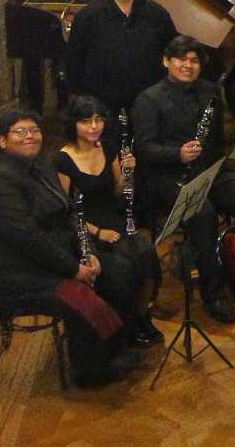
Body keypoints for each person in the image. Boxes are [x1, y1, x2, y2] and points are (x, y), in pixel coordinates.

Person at [0, 109, 140, 387]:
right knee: (83, 297)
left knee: (120, 270)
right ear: (2, 141)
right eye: (20, 132)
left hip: (52, 260)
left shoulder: (40, 168)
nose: (30, 137)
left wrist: (89, 252)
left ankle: (115, 349)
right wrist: (74, 269)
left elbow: (69, 210)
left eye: (34, 130)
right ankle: (90, 373)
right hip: (19, 275)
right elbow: (27, 238)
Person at [131, 34, 235, 324]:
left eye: (194, 60)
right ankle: (213, 290)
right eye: (181, 59)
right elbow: (144, 149)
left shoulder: (211, 92)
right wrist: (178, 154)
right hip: (169, 176)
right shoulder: (149, 99)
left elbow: (219, 141)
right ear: (166, 61)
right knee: (203, 215)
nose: (188, 65)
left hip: (210, 172)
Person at [54, 96, 163, 346]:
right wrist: (97, 232)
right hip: (85, 229)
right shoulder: (63, 160)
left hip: (113, 220)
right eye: (86, 121)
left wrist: (128, 173)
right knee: (125, 266)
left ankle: (141, 315)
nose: (94, 126)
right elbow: (65, 210)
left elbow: (118, 192)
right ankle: (124, 325)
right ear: (74, 124)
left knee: (147, 254)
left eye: (98, 119)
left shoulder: (109, 147)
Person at [62, 0, 177, 123]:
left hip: (148, 105)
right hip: (102, 110)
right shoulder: (88, 16)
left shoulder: (157, 14)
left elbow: (171, 55)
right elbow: (73, 63)